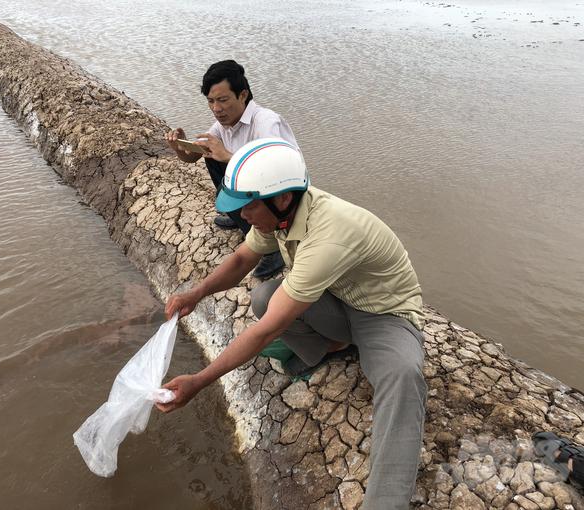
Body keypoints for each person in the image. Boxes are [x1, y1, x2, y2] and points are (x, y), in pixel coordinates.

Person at [156, 138, 428, 509]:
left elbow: (267, 329)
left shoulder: (328, 232)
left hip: (385, 314)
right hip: (340, 300)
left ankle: (386, 503)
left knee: (403, 375)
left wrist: (198, 382)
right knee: (264, 296)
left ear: (282, 199)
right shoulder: (278, 212)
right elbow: (240, 261)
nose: (243, 216)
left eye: (248, 207)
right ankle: (336, 347)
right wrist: (195, 294)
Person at [164, 60, 300, 278]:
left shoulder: (265, 121)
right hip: (258, 189)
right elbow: (191, 158)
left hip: (283, 195)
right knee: (210, 151)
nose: (216, 109)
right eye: (210, 101)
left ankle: (273, 245)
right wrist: (179, 145)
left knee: (223, 169)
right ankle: (242, 219)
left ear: (243, 95)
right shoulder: (222, 125)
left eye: (223, 100)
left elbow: (275, 169)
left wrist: (227, 156)